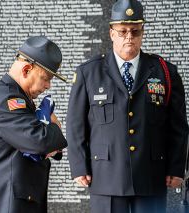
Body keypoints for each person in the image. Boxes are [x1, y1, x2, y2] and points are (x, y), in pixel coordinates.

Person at [66, 0, 188, 213]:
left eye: (135, 31)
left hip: (150, 175)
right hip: (106, 176)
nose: (129, 37)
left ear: (142, 32)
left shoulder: (165, 72)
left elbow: (178, 126)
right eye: (122, 31)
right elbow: (76, 125)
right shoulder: (89, 73)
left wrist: (176, 168)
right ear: (112, 33)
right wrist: (78, 166)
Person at [0, 36, 68, 213]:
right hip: (3, 205)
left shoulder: (17, 97)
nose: (48, 86)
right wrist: (55, 127)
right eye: (45, 78)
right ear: (26, 69)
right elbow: (40, 141)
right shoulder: (7, 101)